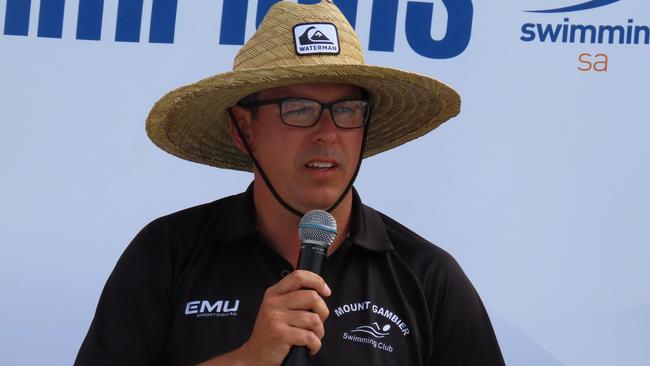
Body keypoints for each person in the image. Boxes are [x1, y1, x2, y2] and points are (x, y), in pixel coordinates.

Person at [75, 1, 505, 365]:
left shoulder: (428, 276)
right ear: (243, 129)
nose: (327, 133)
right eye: (298, 109)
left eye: (347, 110)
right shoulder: (166, 252)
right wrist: (249, 357)